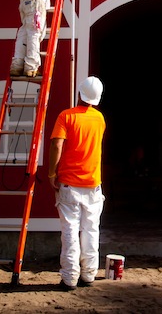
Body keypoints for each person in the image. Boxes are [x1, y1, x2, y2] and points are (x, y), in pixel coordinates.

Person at [46, 76, 106, 291]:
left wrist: (52, 173)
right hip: (93, 184)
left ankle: (69, 278)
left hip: (69, 185)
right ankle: (89, 274)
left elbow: (56, 145)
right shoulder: (99, 119)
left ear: (79, 93)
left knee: (70, 232)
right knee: (91, 230)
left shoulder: (66, 116)